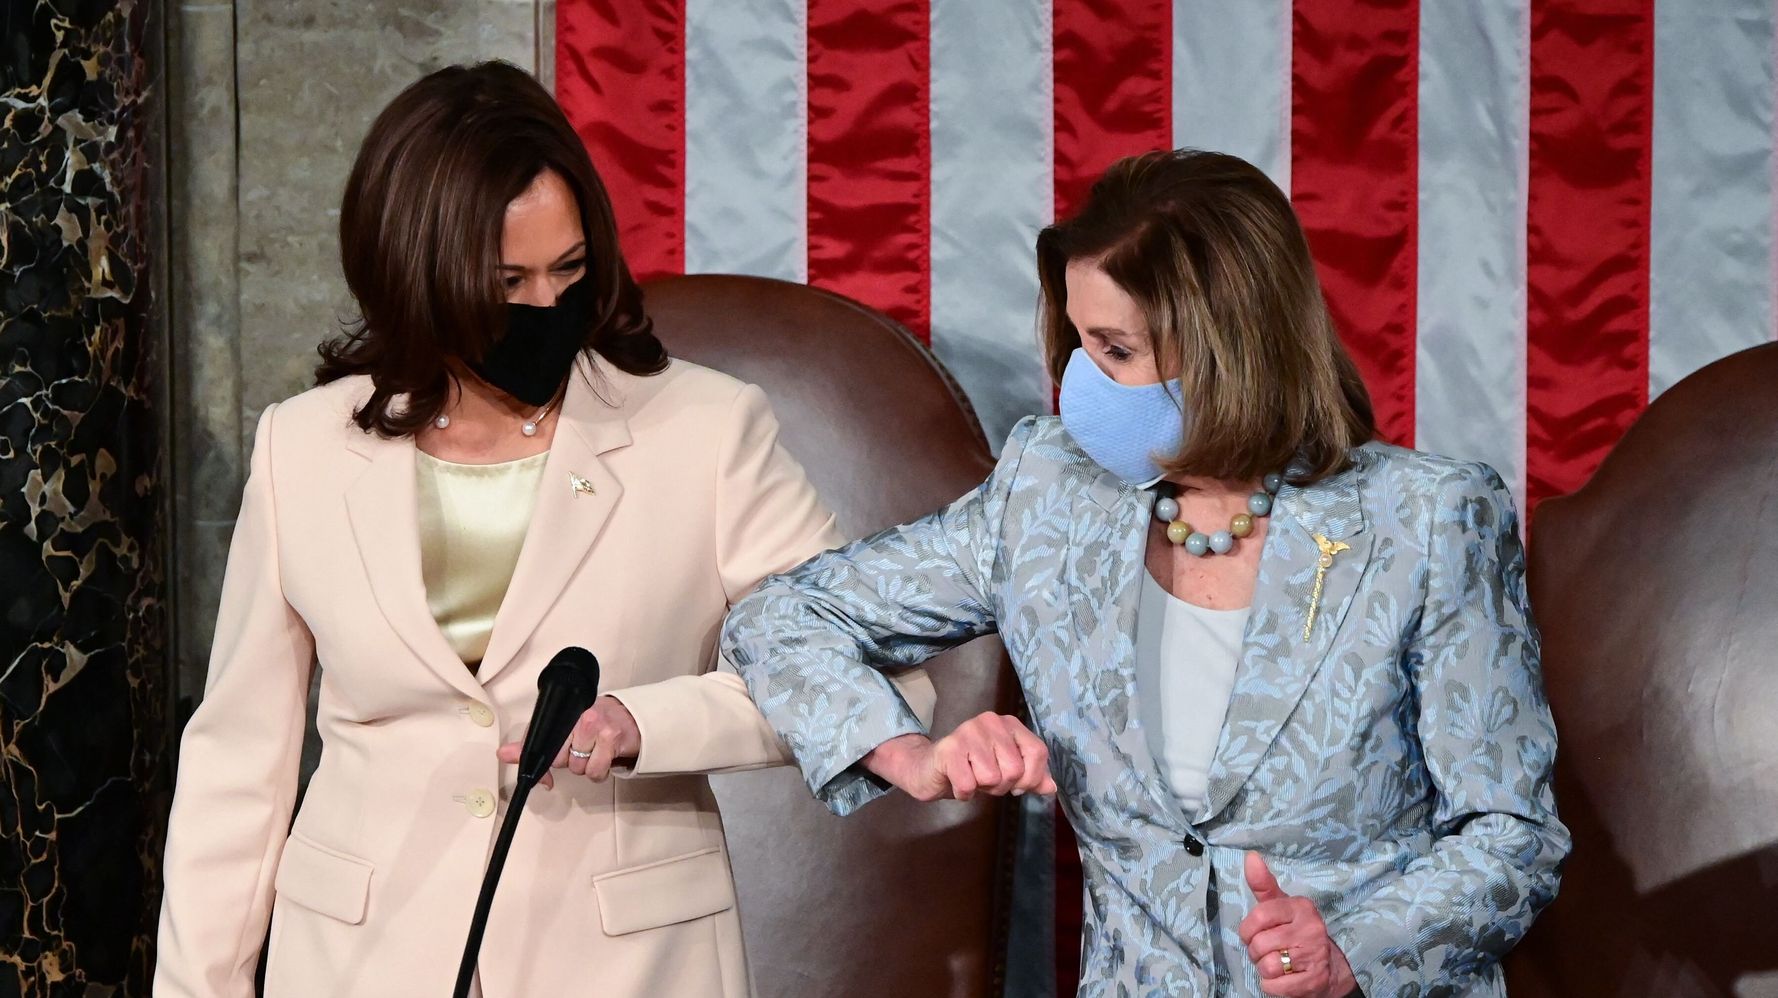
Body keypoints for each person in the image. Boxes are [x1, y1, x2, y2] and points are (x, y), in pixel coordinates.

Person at [154, 61, 928, 997]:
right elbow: (238, 762)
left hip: (624, 964)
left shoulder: (707, 430)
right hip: (357, 961)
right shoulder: (301, 447)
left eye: (567, 271)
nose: (543, 308)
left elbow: (880, 680)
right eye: (504, 280)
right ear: (413, 271)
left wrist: (649, 722)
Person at [724, 150, 1570, 997]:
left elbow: (1514, 833)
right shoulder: (1047, 493)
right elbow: (782, 617)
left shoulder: (1429, 518)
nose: (1081, 380)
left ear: (1229, 350)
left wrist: (1356, 945)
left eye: (1116, 349)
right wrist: (909, 754)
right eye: (1080, 339)